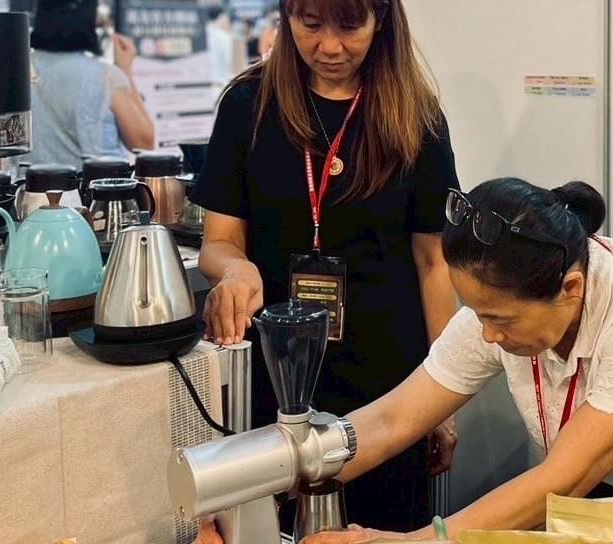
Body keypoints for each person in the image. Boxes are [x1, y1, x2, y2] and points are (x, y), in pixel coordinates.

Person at [198, 177, 613, 543]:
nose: (487, 336)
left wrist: (420, 541)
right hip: (612, 493)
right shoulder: (498, 304)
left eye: (502, 320)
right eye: (476, 312)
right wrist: (271, 476)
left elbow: (562, 478)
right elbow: (392, 420)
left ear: (570, 287)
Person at [191, 0, 460, 532]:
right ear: (286, 17)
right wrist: (236, 270)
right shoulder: (248, 105)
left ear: (381, 20)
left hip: (390, 386)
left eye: (350, 26)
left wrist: (443, 399)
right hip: (277, 379)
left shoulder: (415, 115)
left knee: (382, 531)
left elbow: (435, 263)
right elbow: (218, 243)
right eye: (310, 25)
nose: (329, 46)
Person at [23, 0, 154, 169]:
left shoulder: (17, 71)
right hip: (99, 183)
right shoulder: (105, 76)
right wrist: (125, 72)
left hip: (31, 183)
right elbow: (144, 143)